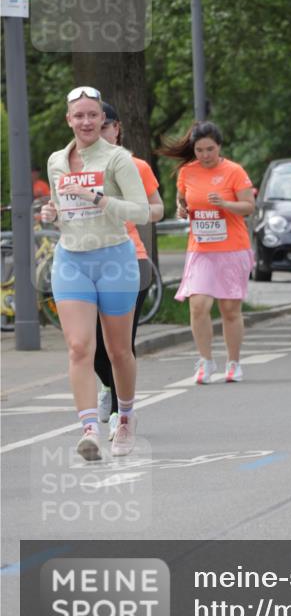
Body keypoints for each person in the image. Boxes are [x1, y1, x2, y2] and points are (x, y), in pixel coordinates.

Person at [41, 86, 149, 460]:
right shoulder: (57, 160)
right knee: (78, 347)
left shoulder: (117, 159)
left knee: (119, 350)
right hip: (72, 259)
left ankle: (126, 418)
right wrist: (50, 214)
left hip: (115, 259)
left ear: (103, 119)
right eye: (79, 116)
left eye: (92, 115)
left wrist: (100, 199)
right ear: (68, 120)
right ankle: (89, 429)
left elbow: (143, 211)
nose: (86, 122)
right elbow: (61, 206)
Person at [159, 122, 255, 383]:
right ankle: (206, 361)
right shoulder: (187, 171)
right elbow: (182, 199)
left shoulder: (234, 172)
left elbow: (249, 207)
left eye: (210, 149)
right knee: (198, 305)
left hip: (232, 248)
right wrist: (182, 209)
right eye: (199, 150)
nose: (205, 155)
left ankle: (233, 363)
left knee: (229, 309)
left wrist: (224, 204)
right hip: (201, 248)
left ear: (219, 146)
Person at [94, 103, 164, 439]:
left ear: (116, 128)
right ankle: (108, 386)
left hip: (129, 258)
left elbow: (156, 210)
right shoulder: (77, 166)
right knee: (92, 349)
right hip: (87, 260)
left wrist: (121, 207)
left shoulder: (136, 166)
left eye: (105, 124)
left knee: (120, 345)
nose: (99, 131)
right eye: (92, 123)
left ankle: (123, 412)